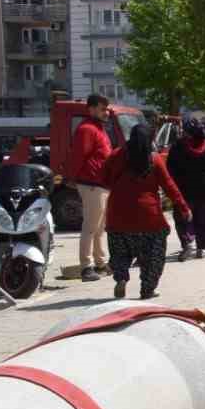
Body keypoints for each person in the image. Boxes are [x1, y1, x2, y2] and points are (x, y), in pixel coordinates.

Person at [103, 125, 190, 301]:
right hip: (149, 218)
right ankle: (147, 289)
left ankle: (121, 278)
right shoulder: (155, 160)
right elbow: (170, 186)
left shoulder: (116, 156)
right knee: (153, 256)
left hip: (117, 215)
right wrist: (183, 207)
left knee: (120, 252)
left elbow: (104, 178)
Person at [167, 119, 205, 261]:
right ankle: (202, 248)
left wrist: (170, 188)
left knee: (183, 219)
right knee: (204, 220)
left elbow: (170, 169)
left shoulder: (178, 146)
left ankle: (188, 243)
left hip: (184, 190)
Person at [70, 93, 113, 281]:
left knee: (99, 227)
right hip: (92, 184)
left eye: (107, 109)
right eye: (103, 109)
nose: (107, 112)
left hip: (100, 184)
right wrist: (72, 177)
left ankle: (100, 263)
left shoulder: (98, 128)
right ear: (92, 108)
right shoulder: (87, 129)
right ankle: (86, 267)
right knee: (90, 226)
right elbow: (78, 156)